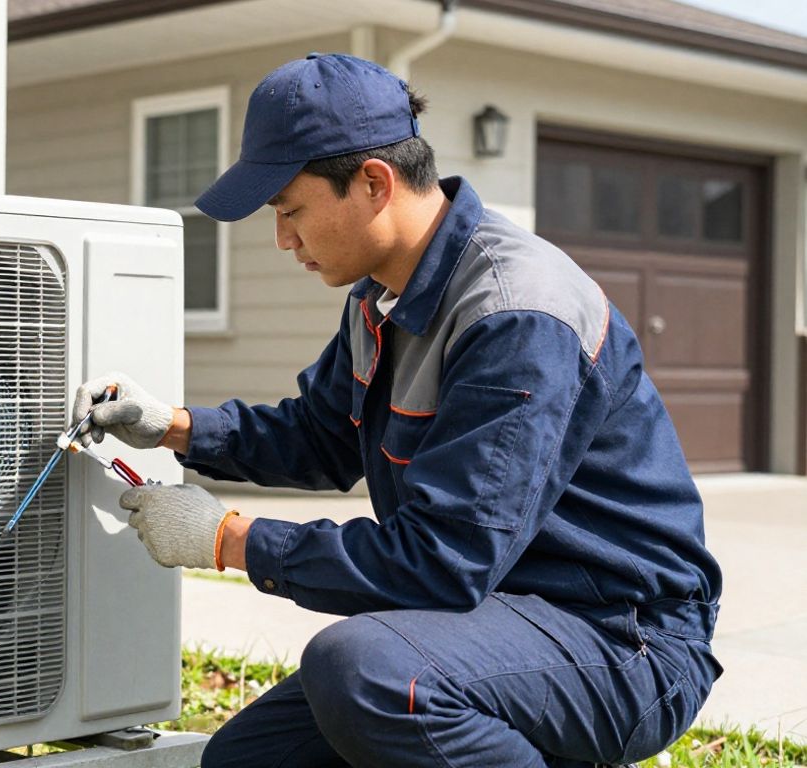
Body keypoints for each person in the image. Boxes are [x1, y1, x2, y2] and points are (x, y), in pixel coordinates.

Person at [72, 53, 721, 768]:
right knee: (247, 760)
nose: (283, 239)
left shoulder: (515, 314)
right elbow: (322, 438)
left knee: (369, 671)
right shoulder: (382, 297)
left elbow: (445, 561)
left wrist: (227, 539)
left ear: (374, 184)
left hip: (620, 641)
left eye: (290, 211)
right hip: (496, 617)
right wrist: (173, 425)